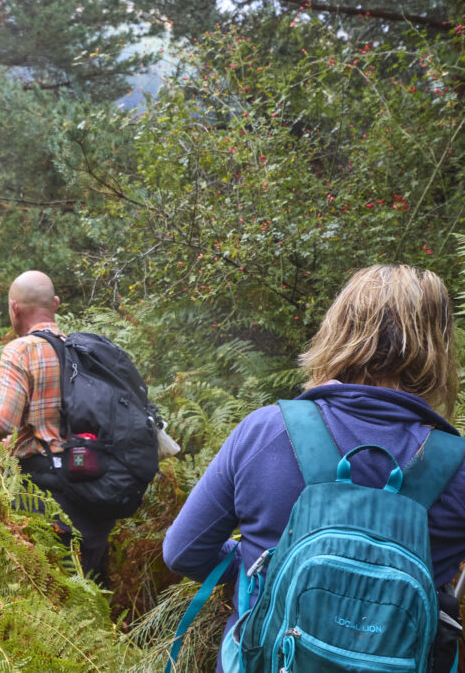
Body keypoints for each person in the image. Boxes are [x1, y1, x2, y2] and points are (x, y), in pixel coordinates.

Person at [162, 264, 465, 670]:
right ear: (439, 347)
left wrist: (253, 563)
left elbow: (183, 551)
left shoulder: (267, 431)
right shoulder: (458, 464)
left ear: (338, 329)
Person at [0, 270, 117, 585]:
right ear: (56, 304)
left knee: (45, 593)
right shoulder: (86, 354)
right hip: (96, 486)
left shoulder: (22, 351)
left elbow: (2, 420)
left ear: (14, 308)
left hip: (43, 493)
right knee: (92, 596)